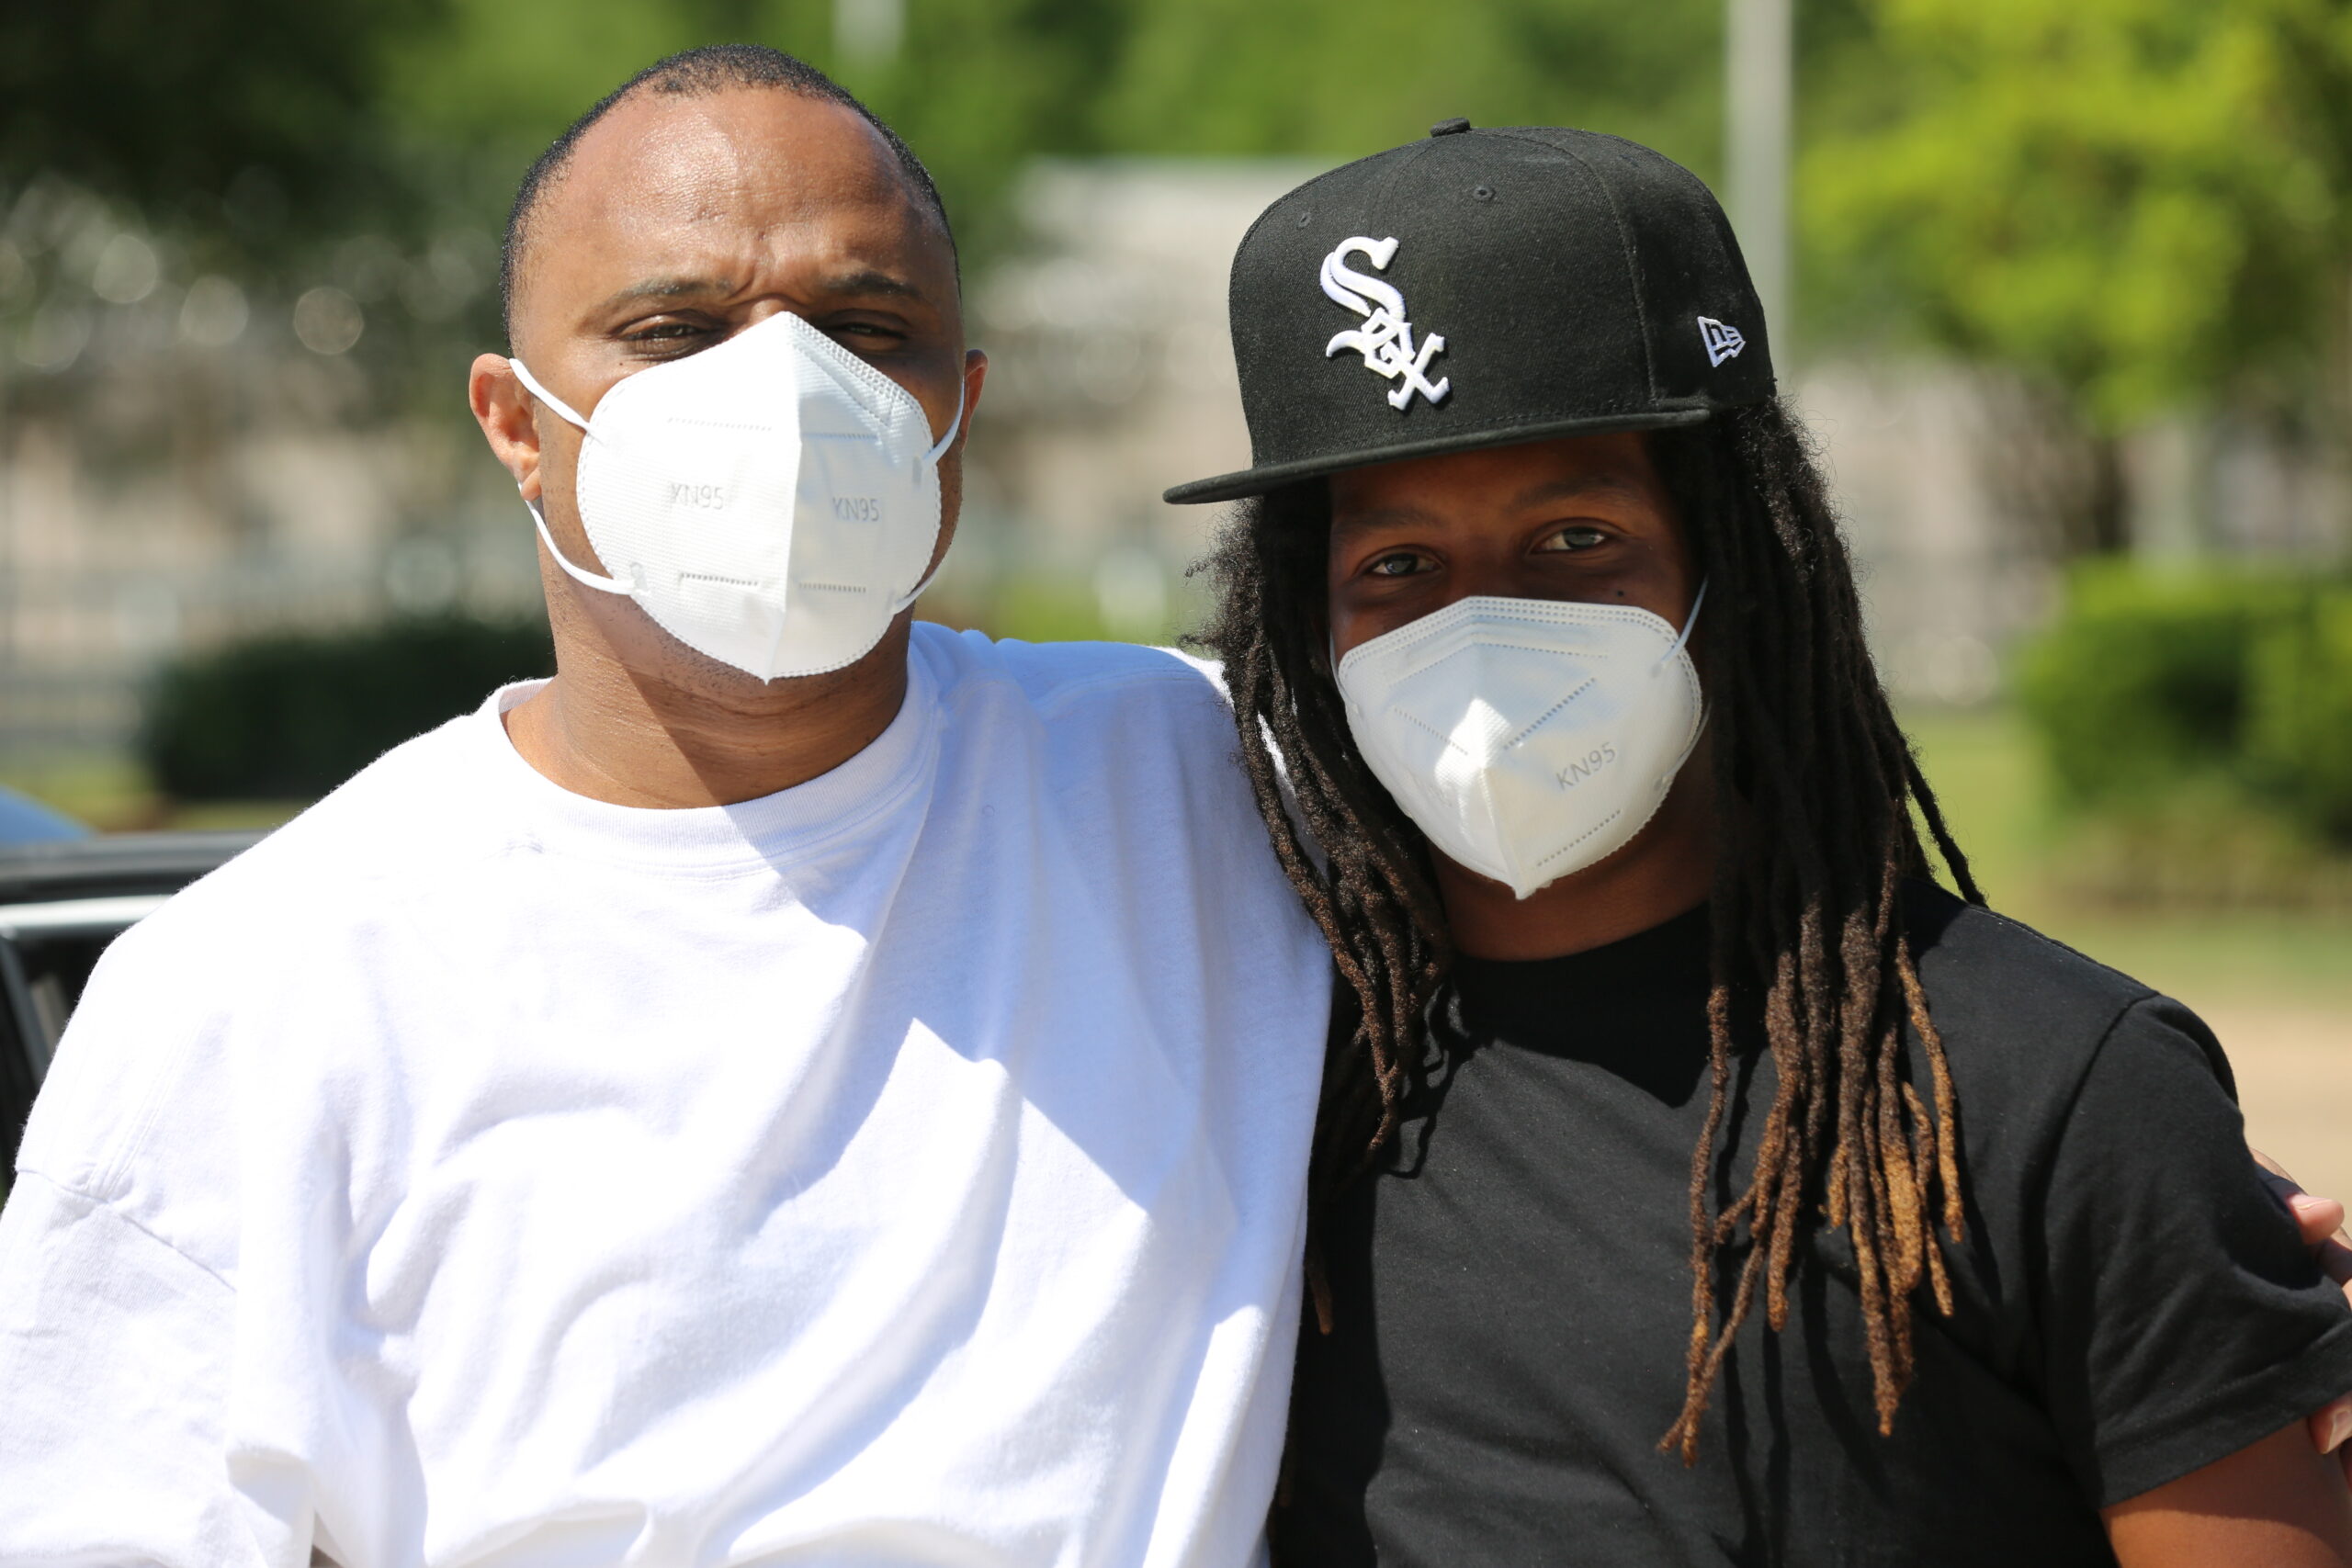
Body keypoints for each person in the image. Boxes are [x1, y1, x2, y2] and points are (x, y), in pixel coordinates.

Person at [0, 48, 1335, 1564]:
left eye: (865, 330)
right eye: (674, 330)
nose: (781, 392)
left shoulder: (1205, 790)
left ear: (958, 412)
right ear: (518, 425)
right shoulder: (256, 990)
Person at [1170, 121, 2352, 1565]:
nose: (1482, 629)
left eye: (1576, 539)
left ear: (1744, 558)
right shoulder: (1258, 1083)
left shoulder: (2051, 1092)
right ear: (1306, 622)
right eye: (1398, 565)